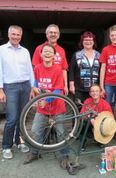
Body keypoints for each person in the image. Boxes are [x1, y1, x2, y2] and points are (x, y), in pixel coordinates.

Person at [24, 44, 85, 175]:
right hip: (42, 108)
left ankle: (64, 156)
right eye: (45, 51)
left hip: (57, 107)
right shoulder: (38, 68)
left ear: (54, 55)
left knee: (62, 133)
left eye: (50, 52)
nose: (47, 53)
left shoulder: (57, 69)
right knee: (35, 130)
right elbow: (35, 81)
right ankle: (35, 153)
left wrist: (46, 100)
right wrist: (34, 88)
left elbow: (58, 90)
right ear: (41, 54)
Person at [0, 25, 34, 159]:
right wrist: (0, 89)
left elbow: (29, 70)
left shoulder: (25, 51)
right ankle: (6, 147)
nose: (15, 37)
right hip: (10, 87)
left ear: (21, 36)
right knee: (12, 118)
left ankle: (19, 142)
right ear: (8, 35)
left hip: (25, 86)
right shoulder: (1, 50)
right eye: (13, 34)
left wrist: (32, 87)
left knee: (22, 117)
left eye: (18, 35)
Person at [32, 24, 68, 95]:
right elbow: (35, 70)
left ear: (58, 35)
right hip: (43, 87)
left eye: (55, 33)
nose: (53, 34)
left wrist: (66, 85)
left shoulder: (62, 50)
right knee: (43, 105)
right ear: (46, 34)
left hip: (58, 86)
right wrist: (33, 88)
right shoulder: (39, 48)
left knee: (57, 104)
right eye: (51, 32)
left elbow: (64, 69)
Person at [69, 31, 100, 103]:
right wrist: (71, 85)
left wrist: (101, 86)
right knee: (79, 108)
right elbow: (71, 70)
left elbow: (101, 71)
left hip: (94, 89)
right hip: (79, 88)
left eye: (90, 40)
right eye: (85, 40)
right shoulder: (77, 55)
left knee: (92, 108)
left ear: (93, 42)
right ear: (82, 42)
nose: (88, 42)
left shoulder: (98, 55)